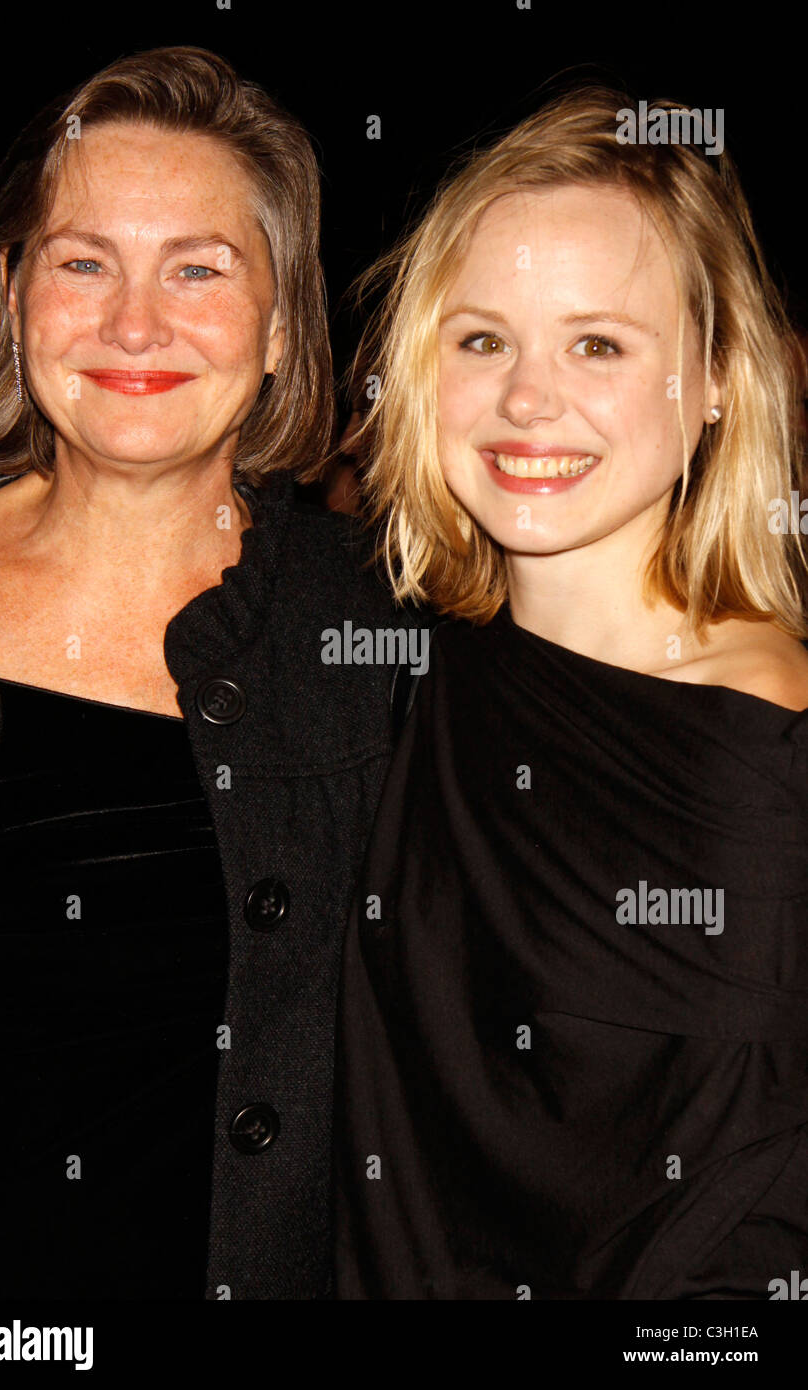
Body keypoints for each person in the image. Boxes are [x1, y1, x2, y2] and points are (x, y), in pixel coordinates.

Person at [0, 45, 413, 1301]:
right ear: (12, 294)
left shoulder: (388, 633)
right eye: (83, 262)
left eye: (197, 269)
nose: (132, 324)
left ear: (276, 326)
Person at [333, 85, 808, 1299]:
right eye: (481, 338)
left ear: (710, 379)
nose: (526, 399)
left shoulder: (766, 753)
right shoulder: (395, 669)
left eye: (597, 342)